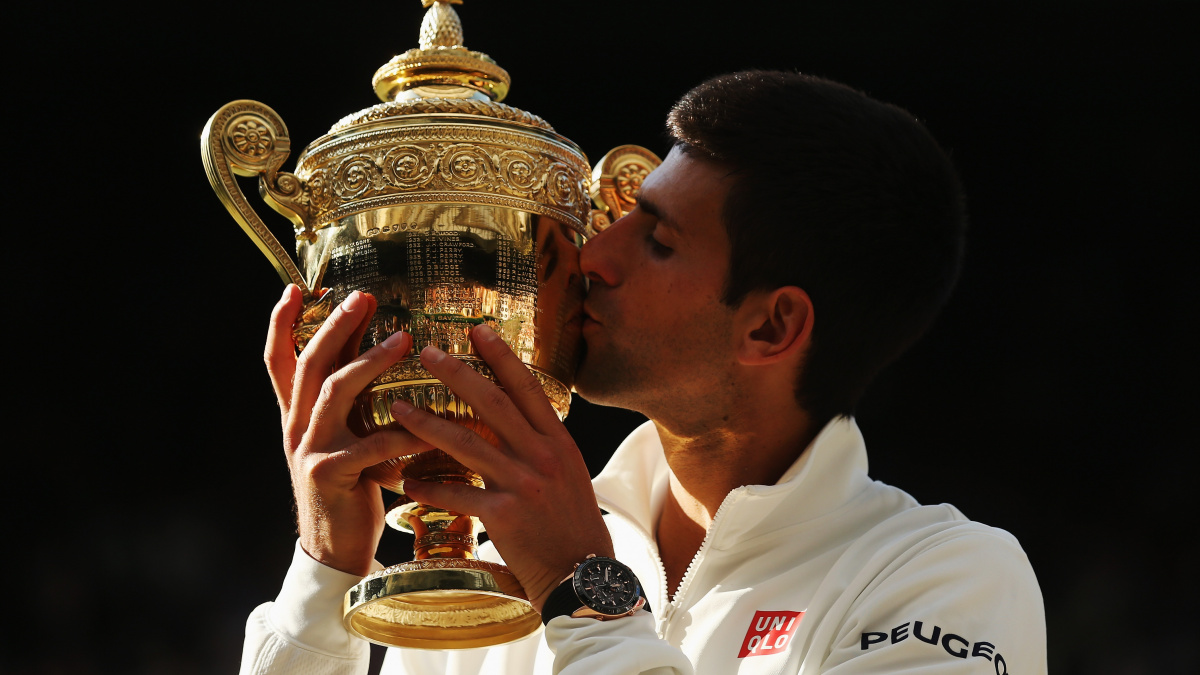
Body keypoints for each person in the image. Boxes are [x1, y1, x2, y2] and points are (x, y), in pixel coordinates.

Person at [240, 71, 1047, 674]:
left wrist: (583, 594)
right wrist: (325, 571)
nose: (593, 255)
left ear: (771, 326)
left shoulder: (944, 576)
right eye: (624, 218)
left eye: (657, 242)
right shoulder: (499, 548)